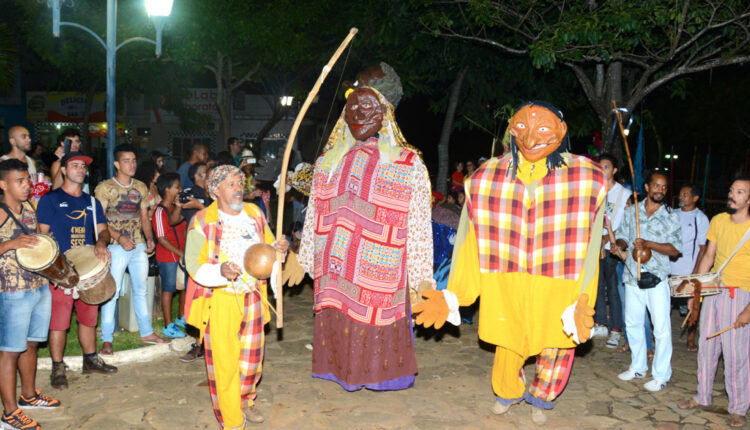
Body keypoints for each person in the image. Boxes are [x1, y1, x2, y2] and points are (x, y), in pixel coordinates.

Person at [413, 100, 606, 424]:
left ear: (561, 131)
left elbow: (592, 242)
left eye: (542, 128)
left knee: (557, 342)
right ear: (511, 130)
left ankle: (541, 397)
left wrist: (585, 296)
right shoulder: (486, 178)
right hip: (505, 278)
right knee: (508, 338)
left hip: (559, 280)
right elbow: (470, 240)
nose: (530, 138)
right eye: (521, 128)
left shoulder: (587, 179)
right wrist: (455, 294)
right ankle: (507, 391)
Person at [299, 63, 434, 392]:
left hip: (381, 271)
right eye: (352, 105)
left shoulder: (408, 164)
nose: (358, 113)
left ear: (386, 112)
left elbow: (418, 226)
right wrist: (303, 259)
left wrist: (421, 278)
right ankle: (341, 372)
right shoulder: (328, 162)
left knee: (377, 327)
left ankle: (381, 378)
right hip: (337, 271)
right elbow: (314, 213)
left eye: (368, 105)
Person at [184, 165, 295, 427]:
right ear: (215, 191)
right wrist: (220, 271)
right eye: (231, 184)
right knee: (225, 365)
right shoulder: (201, 221)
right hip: (220, 299)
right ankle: (233, 421)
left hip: (253, 295)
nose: (238, 189)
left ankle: (245, 401)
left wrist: (279, 250)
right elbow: (192, 264)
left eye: (239, 183)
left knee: (251, 361)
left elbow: (269, 250)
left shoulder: (255, 213)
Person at [36, 152, 117, 390]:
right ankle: (58, 367)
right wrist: (53, 264)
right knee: (59, 322)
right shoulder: (50, 200)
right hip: (60, 271)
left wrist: (101, 243)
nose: (80, 169)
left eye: (83, 166)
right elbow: (43, 236)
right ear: (63, 170)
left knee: (89, 317)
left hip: (87, 270)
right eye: (75, 165)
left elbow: (103, 230)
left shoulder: (92, 202)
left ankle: (90, 360)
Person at [678, 176, 750, 428]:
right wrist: (696, 294)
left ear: (749, 199)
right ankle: (703, 396)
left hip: (740, 295)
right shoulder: (718, 220)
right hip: (714, 290)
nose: (732, 195)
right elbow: (708, 257)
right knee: (706, 346)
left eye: (739, 192)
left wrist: (748, 311)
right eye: (731, 190)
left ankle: (738, 408)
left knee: (736, 354)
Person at [0, 159, 60, 430]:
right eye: (19, 181)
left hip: (38, 285)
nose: (27, 186)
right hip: (12, 291)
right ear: (3, 185)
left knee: (31, 344)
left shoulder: (29, 208)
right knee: (9, 351)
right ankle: (9, 413)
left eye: (27, 180)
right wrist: (10, 244)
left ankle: (28, 395)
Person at [612, 171, 681, 392]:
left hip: (657, 278)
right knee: (632, 323)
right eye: (656, 186)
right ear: (647, 187)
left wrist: (650, 244)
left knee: (661, 329)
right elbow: (623, 236)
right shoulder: (632, 211)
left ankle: (661, 375)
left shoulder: (670, 215)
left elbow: (675, 249)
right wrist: (619, 245)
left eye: (664, 187)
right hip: (633, 276)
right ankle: (637, 367)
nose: (660, 190)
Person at [95, 144, 166, 355]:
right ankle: (107, 339)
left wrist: (150, 238)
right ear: (117, 164)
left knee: (141, 289)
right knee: (112, 292)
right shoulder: (105, 188)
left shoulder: (141, 187)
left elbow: (144, 217)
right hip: (115, 246)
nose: (132, 164)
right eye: (127, 160)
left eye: (134, 160)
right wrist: (119, 237)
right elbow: (99, 221)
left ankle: (146, 332)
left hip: (138, 245)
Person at [591, 154, 630, 348]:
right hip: (595, 247)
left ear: (614, 170)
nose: (602, 170)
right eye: (599, 166)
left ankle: (616, 329)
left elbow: (627, 223)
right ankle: (600, 323)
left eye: (606, 167)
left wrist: (609, 236)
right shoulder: (595, 190)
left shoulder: (624, 194)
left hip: (614, 248)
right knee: (597, 286)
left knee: (614, 289)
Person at [671, 183, 709, 351]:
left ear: (695, 198)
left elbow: (703, 248)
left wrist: (696, 271)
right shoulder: (673, 214)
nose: (681, 197)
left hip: (688, 269)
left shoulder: (700, 218)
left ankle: (691, 338)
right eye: (680, 194)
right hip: (670, 268)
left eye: (685, 194)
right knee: (666, 304)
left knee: (692, 305)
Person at [152, 172, 188, 339]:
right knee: (169, 289)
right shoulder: (160, 211)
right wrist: (180, 253)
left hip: (181, 255)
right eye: (177, 187)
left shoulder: (176, 208)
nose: (180, 189)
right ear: (167, 189)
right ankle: (168, 325)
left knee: (184, 287)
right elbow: (161, 238)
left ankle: (181, 317)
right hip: (168, 257)